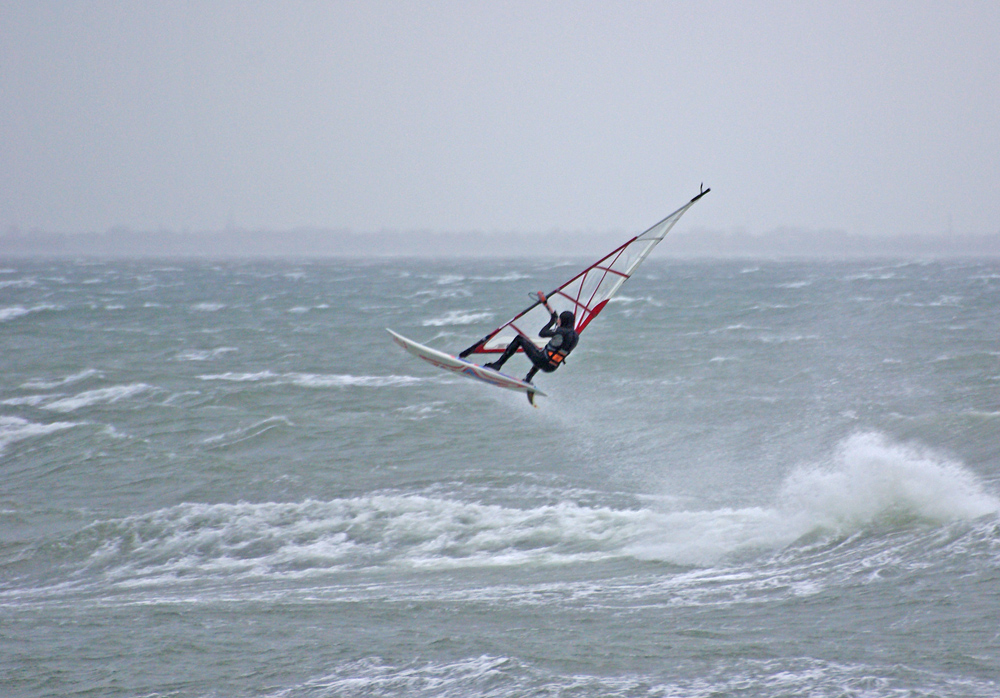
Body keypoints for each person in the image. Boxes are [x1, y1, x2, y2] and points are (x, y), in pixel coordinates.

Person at [484, 306, 579, 383]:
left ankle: (498, 364)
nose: (558, 321)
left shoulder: (561, 331)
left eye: (559, 319)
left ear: (564, 320)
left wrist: (551, 321)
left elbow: (542, 333)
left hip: (542, 361)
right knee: (544, 353)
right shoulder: (575, 336)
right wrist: (556, 322)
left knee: (519, 339)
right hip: (552, 367)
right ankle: (528, 378)